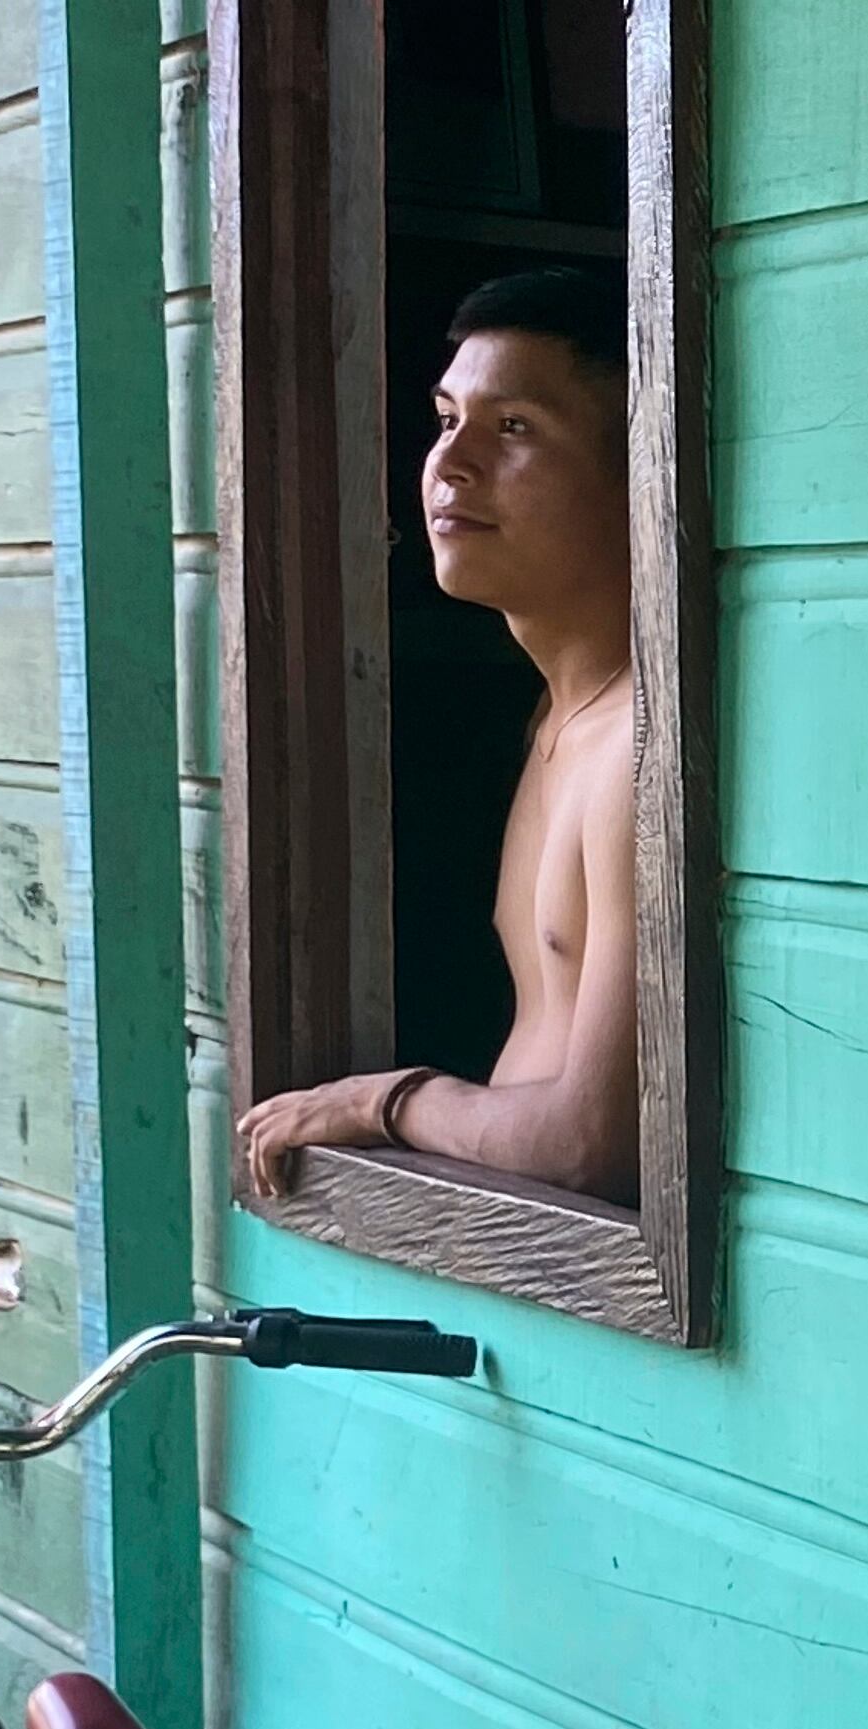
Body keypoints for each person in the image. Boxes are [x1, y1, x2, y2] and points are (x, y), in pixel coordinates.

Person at [236, 267, 642, 1204]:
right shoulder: (555, 719)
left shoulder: (639, 750)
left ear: (641, 466)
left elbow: (594, 1145)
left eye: (514, 429)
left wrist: (387, 1103)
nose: (450, 465)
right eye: (447, 418)